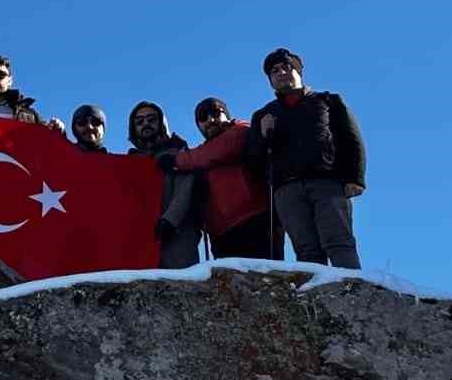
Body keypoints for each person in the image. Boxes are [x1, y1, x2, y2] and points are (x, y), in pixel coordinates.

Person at [246, 48, 365, 268]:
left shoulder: (328, 101)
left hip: (327, 181)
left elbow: (351, 139)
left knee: (339, 241)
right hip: (286, 190)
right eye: (274, 71)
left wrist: (354, 178)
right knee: (306, 249)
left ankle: (351, 293)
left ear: (299, 72)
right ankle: (317, 298)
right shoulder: (263, 115)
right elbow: (254, 159)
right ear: (270, 81)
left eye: (287, 67)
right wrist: (263, 136)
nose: (282, 73)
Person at [160, 97, 278, 259]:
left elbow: (215, 151)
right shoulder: (199, 154)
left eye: (216, 113)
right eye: (203, 117)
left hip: (255, 220)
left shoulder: (240, 131)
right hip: (221, 233)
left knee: (265, 276)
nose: (210, 120)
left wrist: (176, 160)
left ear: (227, 115)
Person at [127, 100, 200, 269]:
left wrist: (169, 220)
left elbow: (186, 188)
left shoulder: (180, 153)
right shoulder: (129, 162)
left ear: (162, 123)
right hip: (143, 240)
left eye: (151, 119)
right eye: (139, 121)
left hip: (178, 237)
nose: (146, 124)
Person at [0, 53, 66, 133]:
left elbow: (49, 145)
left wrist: (59, 130)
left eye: (1, 74)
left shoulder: (30, 115)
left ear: (10, 81)